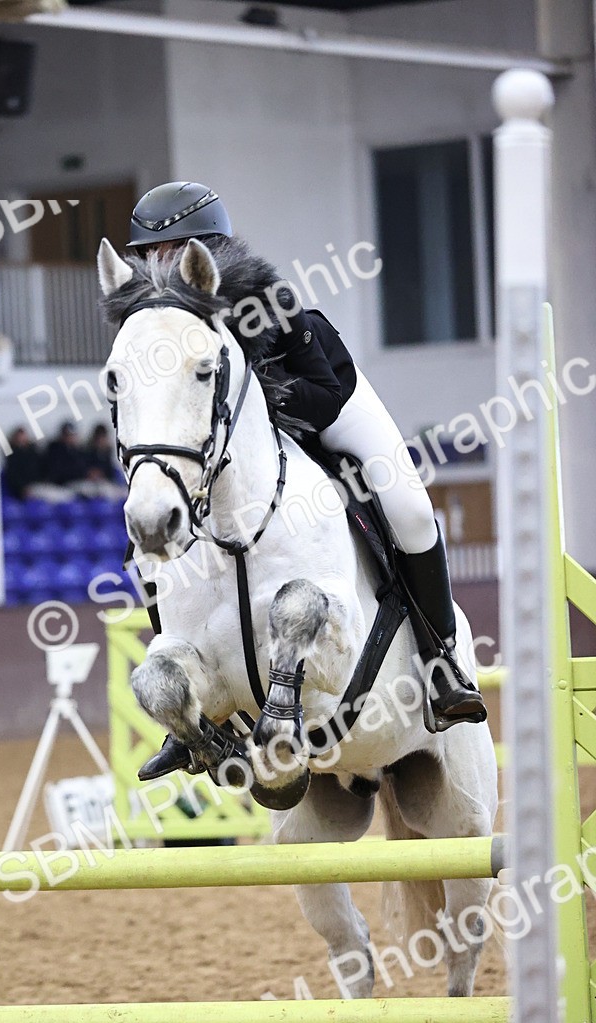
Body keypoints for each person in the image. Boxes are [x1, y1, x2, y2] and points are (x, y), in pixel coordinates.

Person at [123, 182, 486, 778]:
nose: (157, 267)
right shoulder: (158, 332)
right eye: (148, 256)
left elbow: (326, 394)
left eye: (169, 252)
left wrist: (251, 408)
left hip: (332, 417)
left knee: (412, 510)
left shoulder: (266, 300)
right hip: (238, 459)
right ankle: (193, 723)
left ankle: (441, 660)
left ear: (204, 251)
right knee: (148, 547)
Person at [3, 426, 44, 500]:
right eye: (19, 437)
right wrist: (22, 488)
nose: (21, 439)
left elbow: (40, 469)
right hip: (20, 489)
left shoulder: (34, 452)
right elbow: (12, 475)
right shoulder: (11, 455)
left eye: (23, 436)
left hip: (36, 484)